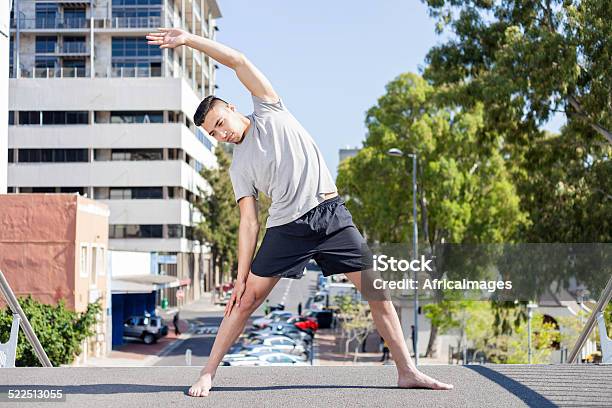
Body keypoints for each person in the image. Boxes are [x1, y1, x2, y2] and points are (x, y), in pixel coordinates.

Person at [146, 27, 454, 398]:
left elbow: (238, 60)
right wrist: (241, 276)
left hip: (331, 217)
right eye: (213, 133)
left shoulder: (268, 107)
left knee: (378, 291)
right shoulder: (238, 167)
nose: (220, 133)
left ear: (231, 107)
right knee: (244, 301)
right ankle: (208, 373)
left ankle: (407, 370)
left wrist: (189, 40)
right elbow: (249, 221)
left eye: (219, 123)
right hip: (287, 229)